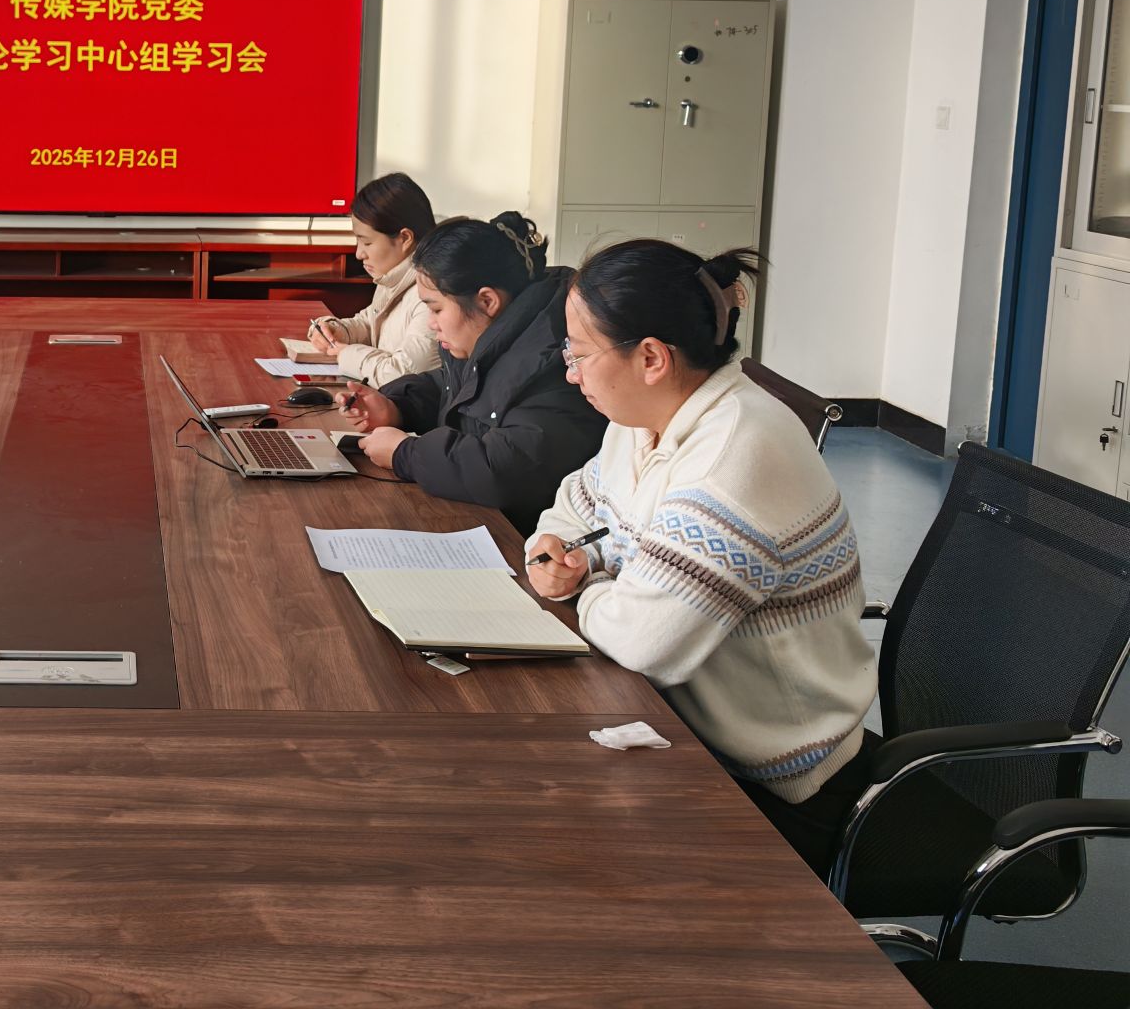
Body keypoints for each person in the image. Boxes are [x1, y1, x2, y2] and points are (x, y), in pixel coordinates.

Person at [525, 239, 876, 840]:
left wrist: (588, 579)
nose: (569, 372)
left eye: (579, 353)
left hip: (776, 779)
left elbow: (644, 644)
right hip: (679, 724)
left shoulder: (735, 455)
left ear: (651, 358)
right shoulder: (641, 422)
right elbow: (571, 507)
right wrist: (556, 550)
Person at [339, 212, 604, 535]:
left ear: (487, 301)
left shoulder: (550, 360)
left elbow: (506, 470)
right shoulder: (487, 338)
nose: (431, 323)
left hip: (523, 540)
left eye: (436, 309)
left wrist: (405, 454)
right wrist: (396, 406)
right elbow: (455, 389)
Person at [302, 171, 441, 387]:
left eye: (367, 243)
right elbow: (371, 323)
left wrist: (345, 354)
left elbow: (402, 375)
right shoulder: (394, 276)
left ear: (405, 238)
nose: (359, 254)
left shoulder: (431, 294)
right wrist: (338, 330)